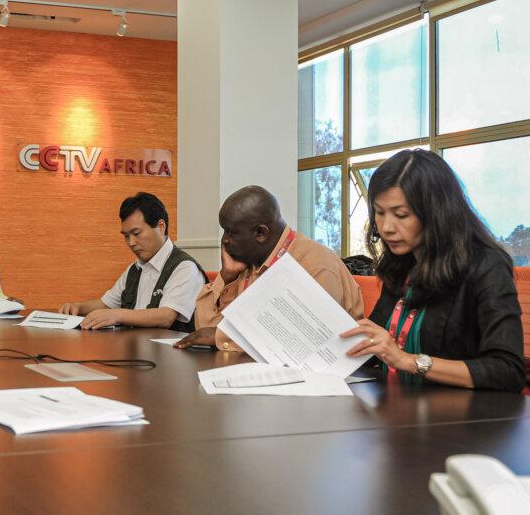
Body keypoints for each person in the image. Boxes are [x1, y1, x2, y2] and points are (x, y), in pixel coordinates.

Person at [340, 149, 525, 392]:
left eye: (401, 215)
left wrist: (408, 360)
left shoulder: (486, 265)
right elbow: (375, 348)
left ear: (437, 213)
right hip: (400, 413)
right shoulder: (401, 264)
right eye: (379, 212)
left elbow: (507, 371)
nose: (386, 227)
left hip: (461, 421)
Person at [176, 185, 364, 351]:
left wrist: (221, 337)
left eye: (231, 232)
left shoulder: (315, 265)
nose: (224, 240)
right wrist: (226, 278)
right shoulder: (250, 260)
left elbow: (305, 344)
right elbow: (204, 330)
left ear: (261, 233)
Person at [58, 192, 206, 330]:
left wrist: (117, 315)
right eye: (126, 236)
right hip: (135, 350)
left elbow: (165, 316)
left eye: (136, 233)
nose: (131, 242)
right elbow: (107, 305)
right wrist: (78, 307)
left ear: (160, 227)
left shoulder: (185, 267)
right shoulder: (135, 269)